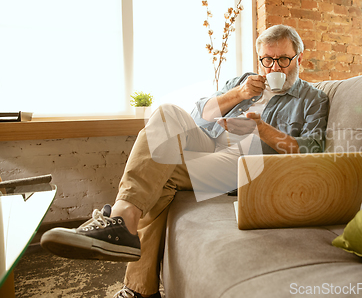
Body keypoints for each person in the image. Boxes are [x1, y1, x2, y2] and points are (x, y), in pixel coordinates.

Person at [40, 24, 329, 298]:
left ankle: (136, 277)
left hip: (246, 163)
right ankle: (123, 218)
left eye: (283, 60)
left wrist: (260, 129)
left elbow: (310, 151)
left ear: (299, 57)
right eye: (267, 60)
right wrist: (240, 93)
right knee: (167, 113)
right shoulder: (245, 82)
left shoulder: (312, 99)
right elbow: (200, 114)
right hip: (210, 143)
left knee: (162, 180)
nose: (274, 68)